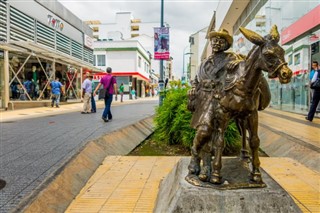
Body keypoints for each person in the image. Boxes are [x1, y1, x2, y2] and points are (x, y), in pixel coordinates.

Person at [187, 28, 243, 182]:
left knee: (216, 133)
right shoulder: (205, 62)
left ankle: (207, 166)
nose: (217, 43)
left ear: (226, 44)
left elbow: (244, 65)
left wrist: (237, 63)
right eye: (214, 40)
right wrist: (193, 89)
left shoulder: (231, 57)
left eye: (221, 40)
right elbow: (196, 80)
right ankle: (195, 154)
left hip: (221, 98)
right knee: (204, 130)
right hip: (204, 98)